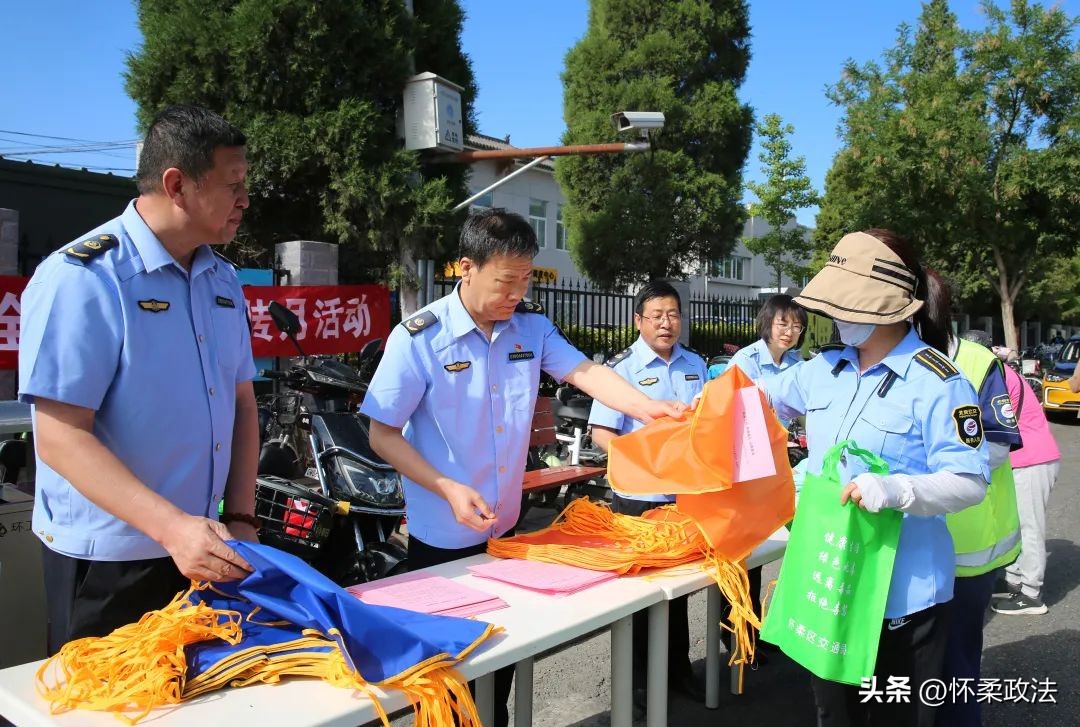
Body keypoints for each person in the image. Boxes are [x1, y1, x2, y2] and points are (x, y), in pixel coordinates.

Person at [359, 208, 684, 727]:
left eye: (525, 279)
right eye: (506, 281)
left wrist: (648, 408)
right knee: (446, 680)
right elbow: (382, 432)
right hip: (441, 536)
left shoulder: (530, 329)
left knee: (499, 667)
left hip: (507, 529)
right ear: (465, 267)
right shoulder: (419, 337)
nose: (516, 294)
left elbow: (584, 371)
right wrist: (445, 487)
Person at [18, 105, 260, 654]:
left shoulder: (222, 281)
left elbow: (243, 404)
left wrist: (241, 516)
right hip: (114, 562)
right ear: (177, 185)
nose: (245, 200)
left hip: (204, 551)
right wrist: (172, 527)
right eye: (232, 185)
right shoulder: (84, 278)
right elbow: (59, 436)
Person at [763, 229, 990, 727]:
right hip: (830, 583)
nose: (839, 317)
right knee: (833, 714)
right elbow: (761, 401)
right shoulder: (823, 369)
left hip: (904, 598)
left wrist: (896, 490)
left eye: (851, 307)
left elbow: (971, 480)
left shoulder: (939, 382)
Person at [588, 280, 709, 708]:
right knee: (639, 591)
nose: (666, 322)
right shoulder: (621, 370)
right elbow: (601, 431)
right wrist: (636, 459)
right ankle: (640, 682)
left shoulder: (696, 363)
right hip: (638, 497)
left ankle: (679, 672)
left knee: (679, 588)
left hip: (686, 496)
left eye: (673, 314)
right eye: (656, 315)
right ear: (638, 320)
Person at [934, 316, 1023, 727]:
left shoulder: (977, 362)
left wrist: (917, 481)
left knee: (958, 658)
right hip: (912, 545)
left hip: (968, 546)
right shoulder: (891, 358)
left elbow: (998, 447)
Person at [725, 294, 808, 662]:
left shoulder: (798, 362)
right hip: (744, 467)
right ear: (767, 323)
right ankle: (739, 634)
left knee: (771, 549)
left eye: (797, 326)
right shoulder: (745, 360)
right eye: (783, 324)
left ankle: (763, 627)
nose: (790, 332)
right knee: (742, 553)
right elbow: (734, 412)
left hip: (778, 464)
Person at [958, 331, 1062, 617]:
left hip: (1032, 458)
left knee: (1029, 525)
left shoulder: (997, 376)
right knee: (1015, 522)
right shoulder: (1000, 372)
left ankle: (1030, 593)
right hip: (1022, 459)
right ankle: (1015, 580)